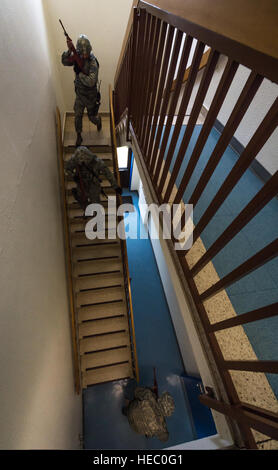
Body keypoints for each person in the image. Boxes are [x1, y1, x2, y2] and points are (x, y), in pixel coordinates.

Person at [61, 34, 102, 147]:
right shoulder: (77, 55)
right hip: (79, 94)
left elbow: (91, 81)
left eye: (86, 53)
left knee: (91, 117)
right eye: (82, 54)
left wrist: (79, 74)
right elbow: (64, 62)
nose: (84, 56)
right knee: (77, 115)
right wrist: (69, 51)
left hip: (90, 95)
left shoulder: (93, 62)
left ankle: (98, 121)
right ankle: (79, 135)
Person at [64, 146, 122, 211]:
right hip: (81, 185)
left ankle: (96, 216)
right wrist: (74, 175)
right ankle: (86, 208)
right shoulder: (75, 159)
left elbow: (107, 173)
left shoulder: (97, 162)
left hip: (93, 186)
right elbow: (67, 169)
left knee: (96, 205)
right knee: (82, 200)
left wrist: (115, 186)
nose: (82, 163)